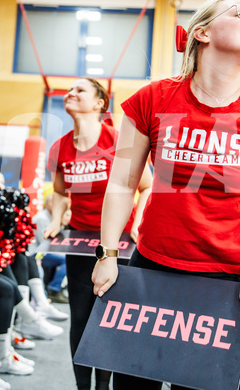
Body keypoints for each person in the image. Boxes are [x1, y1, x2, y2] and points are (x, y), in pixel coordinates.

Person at [92, 0, 240, 389]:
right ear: (201, 32)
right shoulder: (153, 98)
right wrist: (108, 253)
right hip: (151, 267)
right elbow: (122, 182)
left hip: (225, 278)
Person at [44, 77, 152, 390]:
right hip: (80, 241)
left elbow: (145, 187)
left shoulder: (118, 141)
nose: (71, 93)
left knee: (111, 319)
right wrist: (56, 218)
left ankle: (104, 385)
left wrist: (137, 223)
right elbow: (62, 193)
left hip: (119, 243)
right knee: (80, 317)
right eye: (69, 90)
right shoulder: (60, 147)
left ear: (99, 103)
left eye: (80, 90)